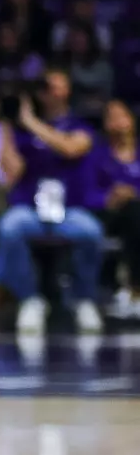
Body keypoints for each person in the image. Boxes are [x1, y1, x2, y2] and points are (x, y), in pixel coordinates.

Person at [0, 69, 103, 334]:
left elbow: (70, 148)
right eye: (44, 86)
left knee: (91, 232)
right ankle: (30, 299)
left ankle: (83, 298)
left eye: (54, 85)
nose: (48, 91)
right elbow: (11, 173)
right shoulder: (22, 132)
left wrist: (31, 121)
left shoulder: (79, 126)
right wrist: (8, 124)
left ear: (67, 90)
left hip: (69, 212)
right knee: (9, 227)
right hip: (32, 211)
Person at [95, 99, 140, 319]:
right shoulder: (98, 155)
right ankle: (132, 290)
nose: (117, 121)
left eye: (121, 115)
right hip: (108, 215)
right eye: (111, 117)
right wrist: (109, 198)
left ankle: (133, 290)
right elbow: (87, 191)